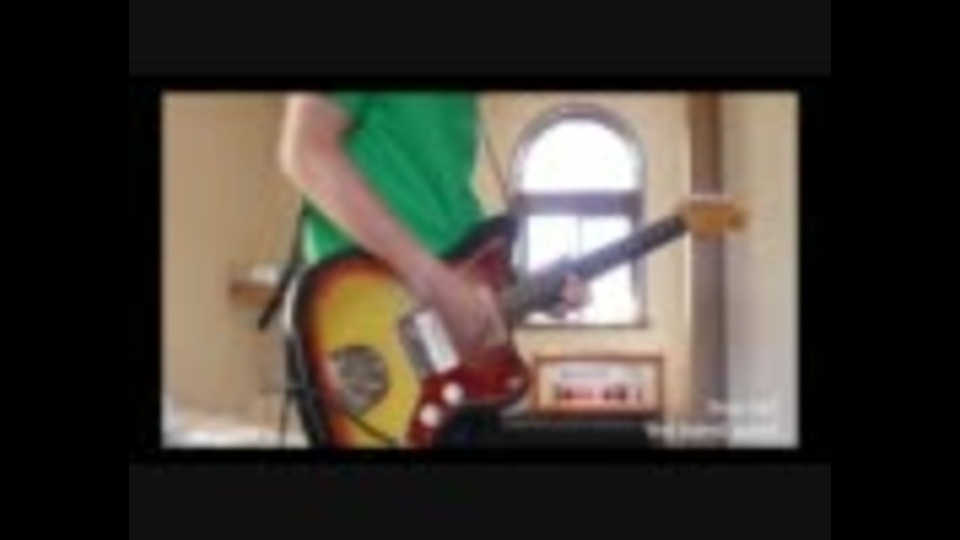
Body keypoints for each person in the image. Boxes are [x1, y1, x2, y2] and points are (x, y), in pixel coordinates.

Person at [277, 91, 587, 353]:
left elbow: (438, 227)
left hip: (443, 359)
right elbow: (305, 152)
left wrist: (521, 293)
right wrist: (434, 284)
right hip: (371, 337)